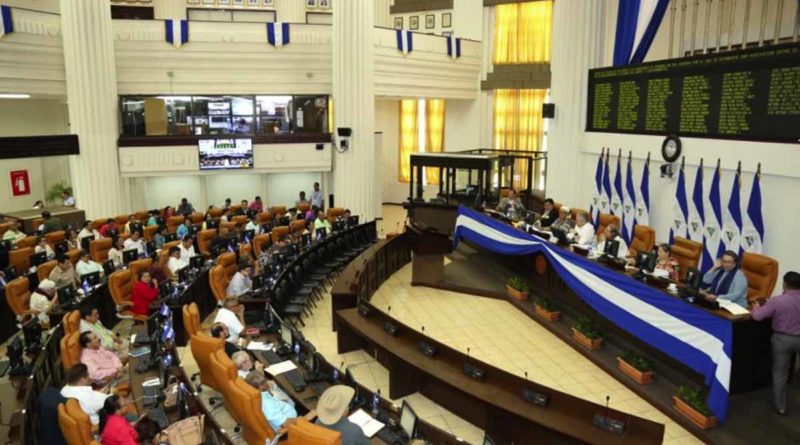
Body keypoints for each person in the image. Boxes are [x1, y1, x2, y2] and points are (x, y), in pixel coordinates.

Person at [751, 272, 800, 416]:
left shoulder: (777, 301)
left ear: (784, 284)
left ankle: (781, 407)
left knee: (780, 374)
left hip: (782, 340)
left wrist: (755, 308)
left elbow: (758, 317)